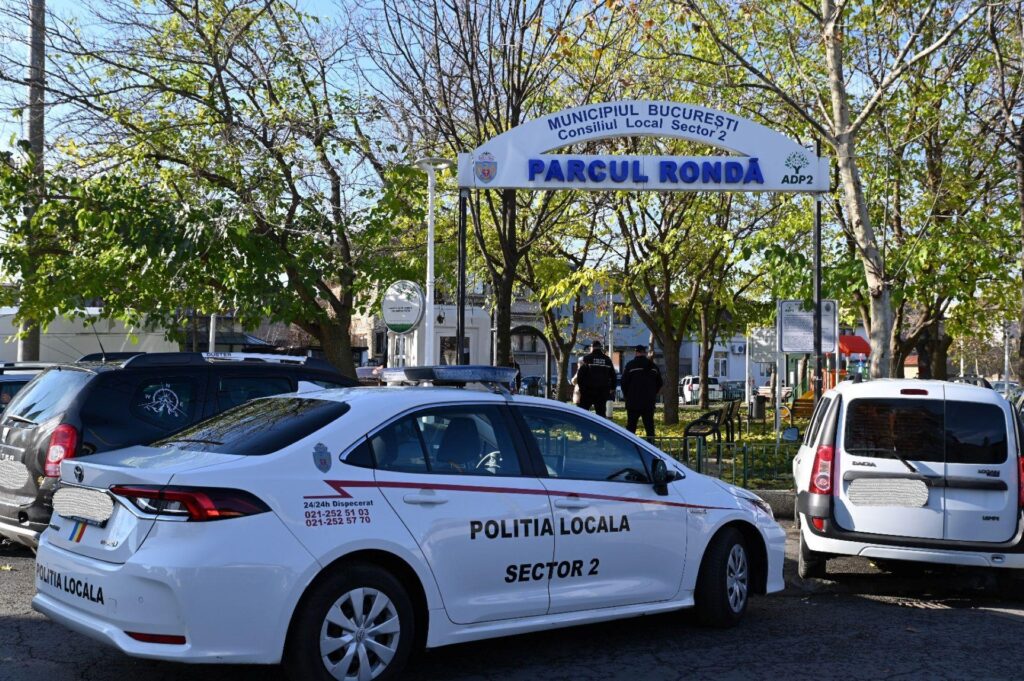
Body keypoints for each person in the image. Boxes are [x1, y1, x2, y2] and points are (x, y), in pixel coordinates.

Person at [621, 345, 663, 439]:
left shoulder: (630, 365)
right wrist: (652, 393)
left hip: (633, 401)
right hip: (648, 402)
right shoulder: (653, 366)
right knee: (649, 426)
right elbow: (659, 383)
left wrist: (627, 396)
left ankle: (630, 444)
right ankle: (651, 444)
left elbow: (624, 383)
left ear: (636, 352)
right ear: (645, 352)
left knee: (631, 425)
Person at [575, 340, 617, 418]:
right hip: (602, 392)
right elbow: (613, 376)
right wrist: (612, 388)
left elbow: (580, 376)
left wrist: (582, 389)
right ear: (600, 348)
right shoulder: (607, 360)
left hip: (588, 392)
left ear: (592, 347)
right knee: (601, 414)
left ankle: (583, 426)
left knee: (583, 414)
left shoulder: (586, 359)